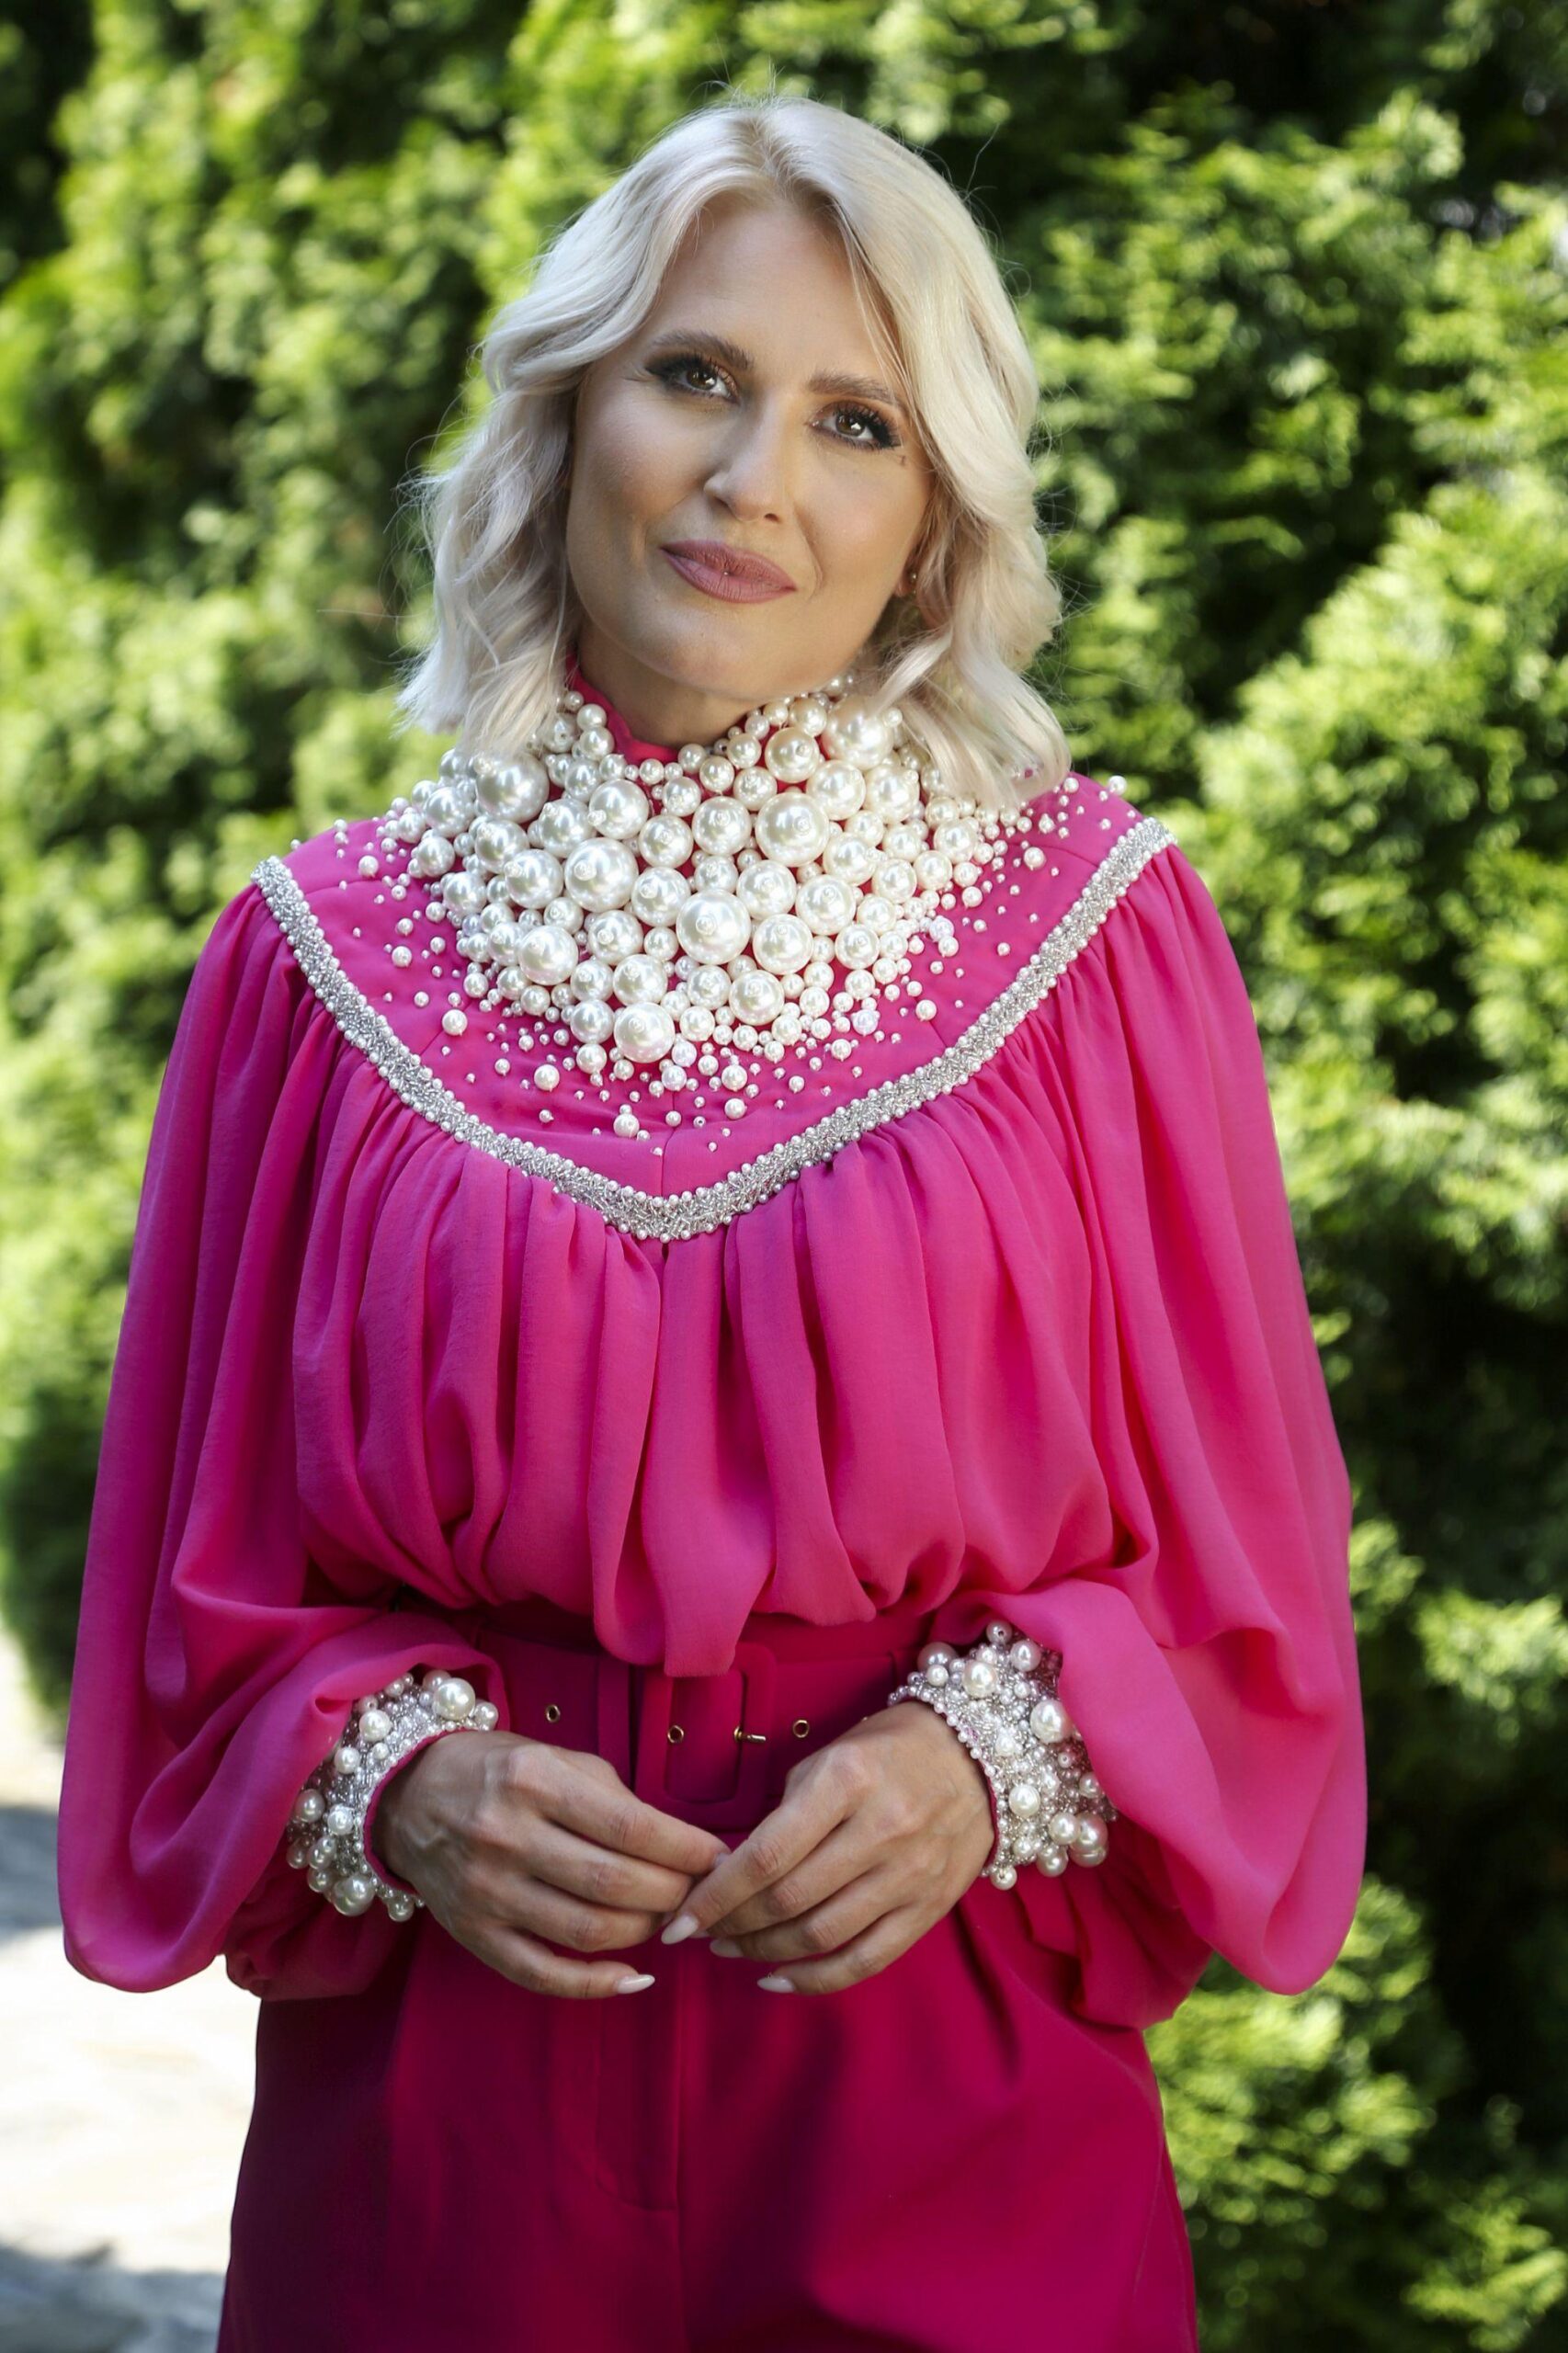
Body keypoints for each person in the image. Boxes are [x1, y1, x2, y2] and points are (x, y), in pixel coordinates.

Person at [55, 92, 1367, 2353]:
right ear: (570, 411)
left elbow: (1245, 1583)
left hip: (941, 2069)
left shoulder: (1099, 941)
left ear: (933, 514)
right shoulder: (313, 964)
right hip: (445, 2130)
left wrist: (982, 1753)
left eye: (856, 421)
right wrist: (399, 1772)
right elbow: (195, 1602)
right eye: (694, 375)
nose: (756, 479)